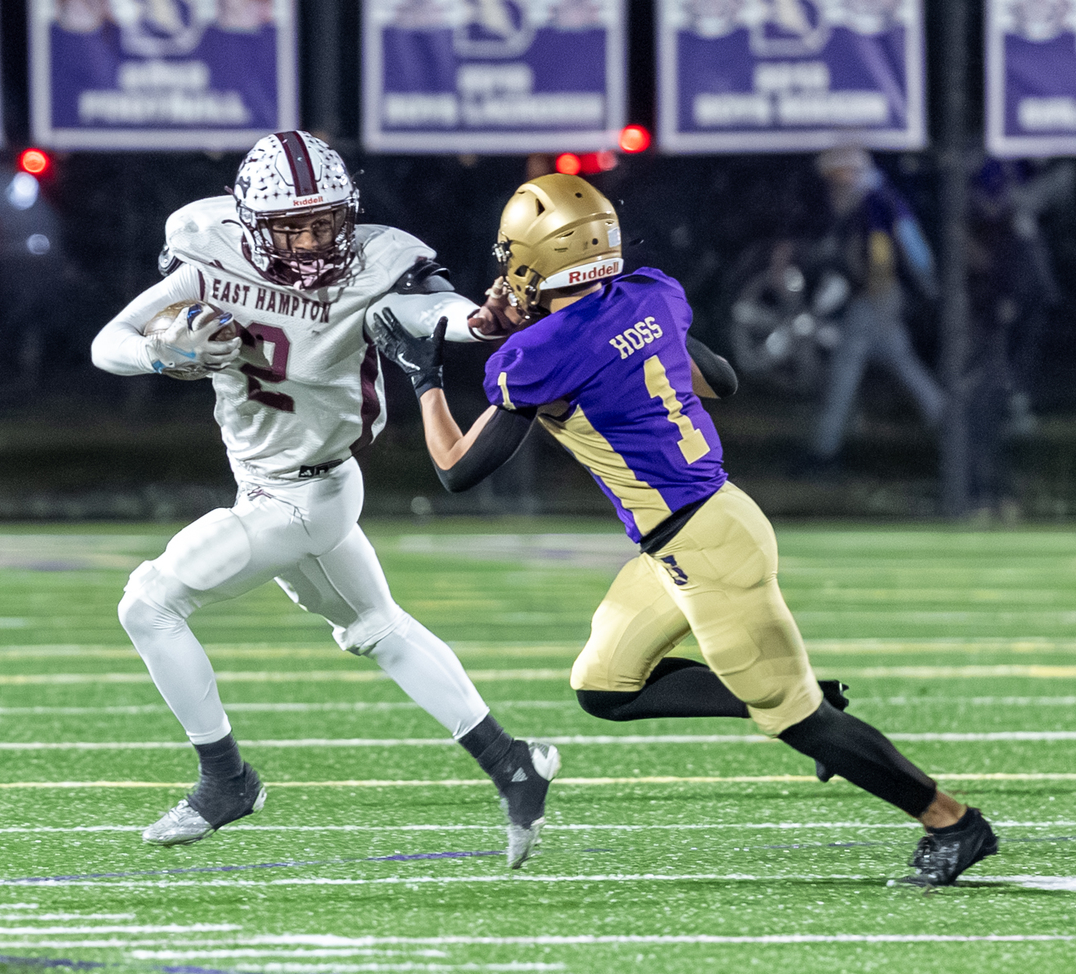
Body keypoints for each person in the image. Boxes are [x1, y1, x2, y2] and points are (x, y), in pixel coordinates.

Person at [370, 173, 999, 886]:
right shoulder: (647, 296)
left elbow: (455, 469)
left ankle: (952, 821)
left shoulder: (536, 357)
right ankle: (785, 691)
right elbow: (720, 379)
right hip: (696, 531)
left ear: (537, 259)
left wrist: (422, 379)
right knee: (605, 685)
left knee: (801, 722)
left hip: (706, 547)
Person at [90, 130, 558, 868]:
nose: (311, 241)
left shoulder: (378, 262)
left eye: (325, 221)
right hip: (295, 484)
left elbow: (435, 311)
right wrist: (158, 352)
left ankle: (227, 780)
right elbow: (107, 341)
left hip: (302, 497)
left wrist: (482, 322)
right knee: (375, 627)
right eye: (291, 225)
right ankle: (512, 763)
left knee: (147, 603)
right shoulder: (211, 255)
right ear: (250, 224)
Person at [807, 145, 944, 469]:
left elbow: (881, 255)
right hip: (882, 297)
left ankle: (822, 454)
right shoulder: (881, 198)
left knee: (844, 371)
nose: (832, 187)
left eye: (836, 178)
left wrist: (874, 289)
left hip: (874, 298)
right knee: (903, 362)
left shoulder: (873, 204)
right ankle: (953, 427)